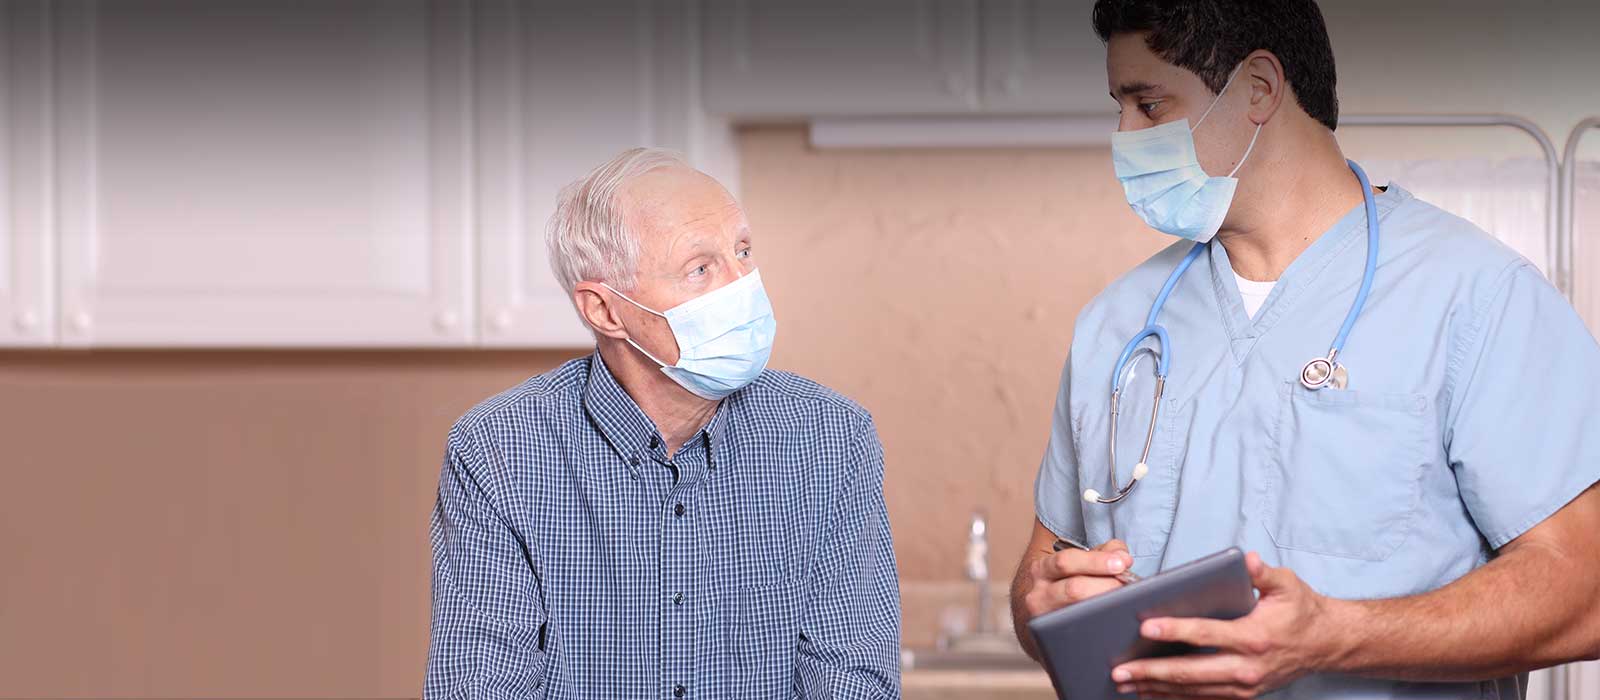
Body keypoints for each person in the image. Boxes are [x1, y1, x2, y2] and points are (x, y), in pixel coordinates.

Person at [1011, 1, 1600, 698]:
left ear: (1258, 88)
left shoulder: (1480, 299)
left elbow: (1583, 590)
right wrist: (1039, 606)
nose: (1123, 135)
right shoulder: (1116, 323)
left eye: (1147, 105)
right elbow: (1040, 575)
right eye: (1119, 107)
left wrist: (1336, 634)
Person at [425, 148, 899, 699]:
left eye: (742, 252)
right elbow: (481, 686)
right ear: (605, 311)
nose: (742, 285)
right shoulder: (497, 451)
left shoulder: (832, 438)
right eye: (700, 268)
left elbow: (852, 682)